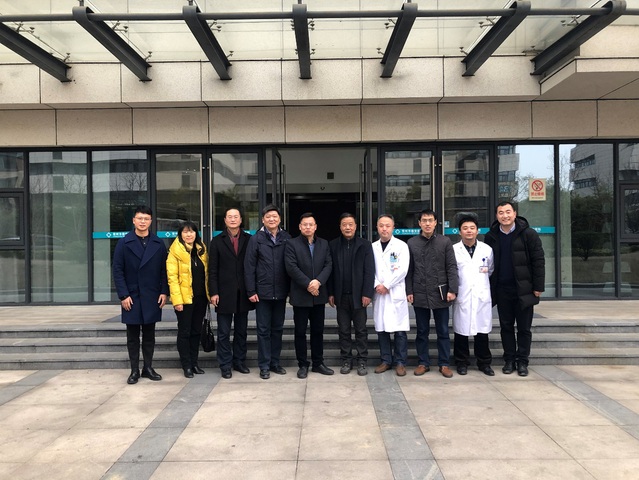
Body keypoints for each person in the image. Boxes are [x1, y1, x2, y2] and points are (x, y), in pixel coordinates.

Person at [484, 201, 545, 377]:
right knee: (506, 327)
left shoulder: (528, 234)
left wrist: (538, 286)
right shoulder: (491, 236)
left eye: (508, 212)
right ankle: (509, 360)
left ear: (515, 213)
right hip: (502, 289)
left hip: (524, 289)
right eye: (501, 212)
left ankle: (522, 361)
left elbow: (538, 261)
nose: (505, 216)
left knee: (524, 328)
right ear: (497, 216)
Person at [113, 205, 168, 385]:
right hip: (132, 296)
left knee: (150, 335)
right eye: (140, 218)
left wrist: (164, 291)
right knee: (133, 336)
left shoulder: (158, 243)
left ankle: (148, 368)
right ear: (134, 220)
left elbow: (164, 270)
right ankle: (134, 370)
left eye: (146, 219)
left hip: (152, 295)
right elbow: (118, 270)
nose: (143, 222)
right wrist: (123, 295)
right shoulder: (124, 243)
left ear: (151, 221)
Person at [406, 209, 458, 378]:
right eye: (424, 220)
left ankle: (444, 364)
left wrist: (452, 289)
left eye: (430, 220)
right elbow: (409, 270)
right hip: (420, 292)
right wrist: (409, 290)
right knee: (422, 331)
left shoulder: (445, 242)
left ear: (436, 222)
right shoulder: (412, 243)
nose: (427, 223)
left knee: (443, 331)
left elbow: (451, 267)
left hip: (440, 292)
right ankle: (423, 362)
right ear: (419, 223)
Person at [244, 204, 291, 380]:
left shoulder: (286, 238)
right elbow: (249, 266)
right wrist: (251, 290)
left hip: (281, 292)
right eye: (268, 217)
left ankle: (275, 363)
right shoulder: (256, 239)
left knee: (277, 329)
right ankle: (264, 365)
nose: (272, 219)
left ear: (279, 219)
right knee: (263, 330)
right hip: (262, 292)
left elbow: (291, 264)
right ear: (263, 220)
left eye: (275, 216)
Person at [285, 212, 333, 379]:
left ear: (315, 227)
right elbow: (291, 267)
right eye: (304, 224)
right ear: (300, 227)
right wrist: (308, 284)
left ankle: (318, 363)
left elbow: (328, 265)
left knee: (318, 331)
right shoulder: (291, 244)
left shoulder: (324, 244)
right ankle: (303, 364)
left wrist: (318, 282)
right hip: (300, 295)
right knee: (300, 332)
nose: (307, 227)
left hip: (318, 295)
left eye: (310, 224)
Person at [208, 207, 254, 379]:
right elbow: (212, 270)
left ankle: (239, 361)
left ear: (241, 220)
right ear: (225, 220)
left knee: (242, 331)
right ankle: (225, 365)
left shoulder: (249, 239)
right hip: (223, 293)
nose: (233, 219)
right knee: (223, 332)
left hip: (243, 292)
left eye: (236, 217)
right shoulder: (217, 241)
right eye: (230, 217)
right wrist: (213, 292)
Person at [328, 213, 375, 376]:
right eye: (344, 224)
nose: (347, 227)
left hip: (359, 296)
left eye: (350, 224)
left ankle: (362, 360)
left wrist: (367, 293)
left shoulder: (365, 245)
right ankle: (346, 360)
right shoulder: (333, 245)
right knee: (344, 330)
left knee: (361, 330)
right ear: (340, 227)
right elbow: (330, 271)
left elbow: (369, 271)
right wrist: (331, 292)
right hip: (341, 296)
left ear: (355, 227)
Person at [452, 214, 495, 376]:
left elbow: (490, 270)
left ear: (477, 231)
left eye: (472, 228)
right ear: (460, 232)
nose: (469, 231)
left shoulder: (486, 249)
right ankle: (461, 362)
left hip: (481, 295)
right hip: (463, 295)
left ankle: (484, 363)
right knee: (461, 332)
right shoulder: (454, 250)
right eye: (465, 228)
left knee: (482, 332)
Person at [167, 221, 209, 378]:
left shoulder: (201, 250)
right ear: (180, 234)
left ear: (196, 234)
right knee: (185, 332)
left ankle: (194, 363)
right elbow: (172, 278)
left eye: (191, 231)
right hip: (184, 300)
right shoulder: (175, 252)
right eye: (185, 232)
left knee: (196, 331)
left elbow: (207, 275)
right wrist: (177, 301)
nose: (189, 234)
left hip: (200, 298)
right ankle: (186, 365)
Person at [372, 214, 410, 377]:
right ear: (377, 227)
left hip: (395, 292)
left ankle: (400, 362)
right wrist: (377, 285)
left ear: (393, 227)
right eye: (381, 225)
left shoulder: (401, 246)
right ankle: (385, 360)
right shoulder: (372, 247)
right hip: (379, 293)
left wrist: (387, 285)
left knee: (399, 330)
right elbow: (369, 269)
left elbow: (403, 269)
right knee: (382, 329)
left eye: (388, 225)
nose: (384, 229)